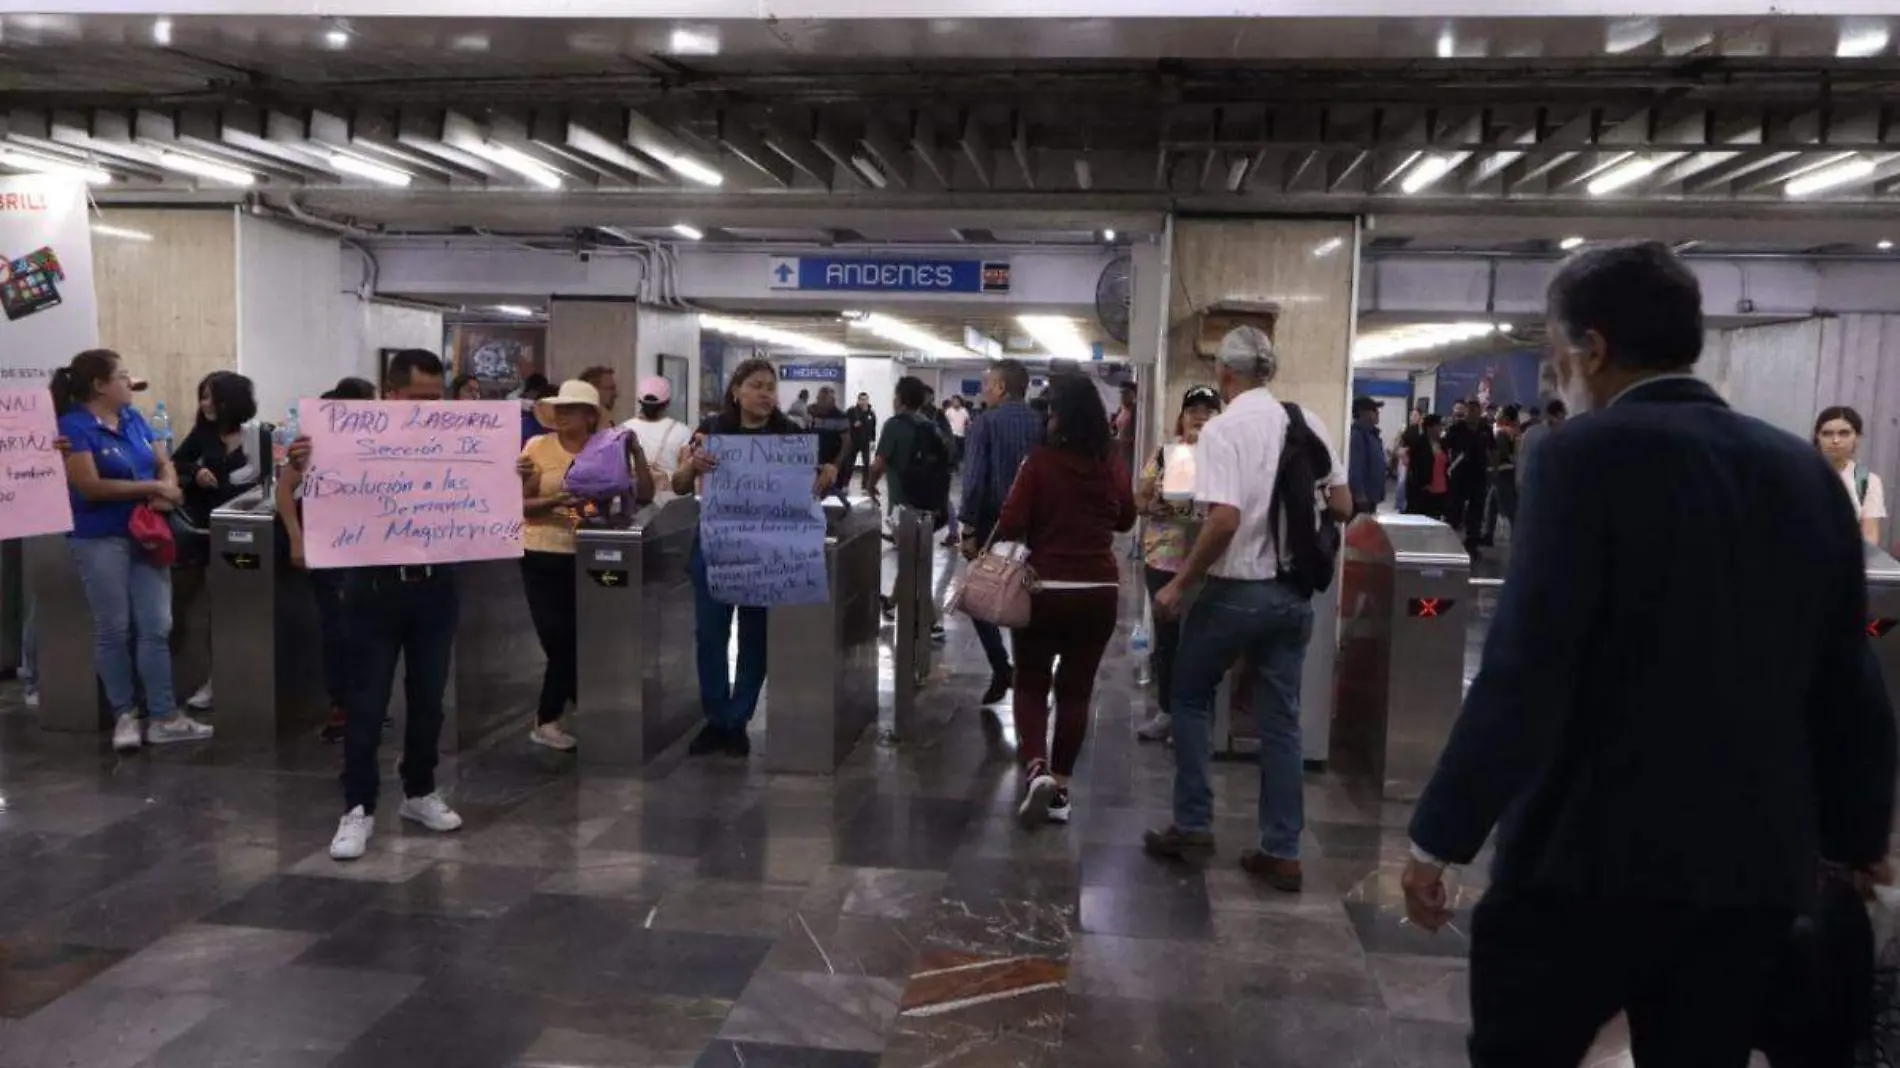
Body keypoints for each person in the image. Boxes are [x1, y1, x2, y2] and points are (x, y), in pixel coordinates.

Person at [1401, 241, 1897, 1066]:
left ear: (1591, 349)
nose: (1559, 372)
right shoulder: (1802, 474)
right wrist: (1854, 839)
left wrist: (1438, 839)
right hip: (1750, 871)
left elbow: (1527, 671)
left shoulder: (1579, 459)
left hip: (1584, 864)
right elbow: (1847, 677)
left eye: (1558, 354)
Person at [1141, 326, 1351, 891]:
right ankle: (1282, 852)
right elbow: (1343, 503)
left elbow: (1225, 519)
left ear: (1225, 376)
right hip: (1292, 597)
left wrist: (1180, 583)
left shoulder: (1222, 429)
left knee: (1188, 695)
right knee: (1281, 721)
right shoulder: (1307, 422)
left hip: (1235, 592)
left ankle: (1193, 825)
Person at [284, 350, 466, 861]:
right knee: (366, 703)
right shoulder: (346, 440)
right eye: (417, 399)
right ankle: (358, 805)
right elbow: (296, 486)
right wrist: (306, 469)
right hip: (372, 585)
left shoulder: (454, 439)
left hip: (435, 584)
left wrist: (509, 474)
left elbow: (483, 495)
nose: (428, 408)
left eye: (436, 398)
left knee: (429, 698)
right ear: (391, 394)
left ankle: (419, 790)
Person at [672, 359, 838, 756]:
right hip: (716, 549)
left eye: (771, 387)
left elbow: (813, 487)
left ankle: (738, 719)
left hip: (768, 554)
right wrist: (693, 465)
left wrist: (828, 472)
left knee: (756, 638)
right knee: (710, 637)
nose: (766, 394)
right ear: (737, 391)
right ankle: (715, 717)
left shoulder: (790, 435)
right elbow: (679, 485)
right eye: (757, 386)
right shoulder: (712, 431)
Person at [52, 349, 213, 751]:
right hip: (100, 536)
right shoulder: (74, 427)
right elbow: (90, 485)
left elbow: (163, 461)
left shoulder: (134, 419)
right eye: (122, 377)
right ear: (99, 385)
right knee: (114, 627)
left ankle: (163, 716)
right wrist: (152, 488)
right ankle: (125, 714)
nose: (129, 383)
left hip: (148, 533)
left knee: (156, 625)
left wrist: (168, 484)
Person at [995, 374, 1135, 827]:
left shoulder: (1039, 463)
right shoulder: (1110, 461)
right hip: (1098, 591)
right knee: (1076, 691)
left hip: (1044, 589)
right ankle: (1061, 787)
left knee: (1032, 682)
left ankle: (1035, 767)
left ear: (1059, 417)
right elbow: (1127, 519)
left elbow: (1013, 522)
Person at [517, 380, 654, 752]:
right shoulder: (535, 448)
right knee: (558, 639)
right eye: (558, 409)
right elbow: (518, 505)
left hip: (592, 553)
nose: (562, 416)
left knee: (587, 637)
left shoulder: (608, 447)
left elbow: (643, 494)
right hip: (542, 553)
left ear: (590, 416)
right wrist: (555, 500)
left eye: (571, 409)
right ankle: (548, 717)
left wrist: (636, 454)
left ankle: (581, 706)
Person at [282, 377, 375, 745]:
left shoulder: (379, 444)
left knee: (368, 632)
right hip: (331, 551)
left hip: (368, 550)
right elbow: (285, 491)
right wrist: (296, 538)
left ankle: (366, 703)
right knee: (338, 630)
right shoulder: (312, 445)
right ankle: (342, 706)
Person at [1133, 385, 1223, 743]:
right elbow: (1139, 497)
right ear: (1181, 416)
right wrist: (1151, 504)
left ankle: (1195, 716)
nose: (1199, 416)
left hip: (1208, 561)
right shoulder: (1166, 455)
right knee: (1168, 640)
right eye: (1193, 410)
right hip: (1164, 557)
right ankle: (1168, 712)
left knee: (1201, 642)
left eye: (1208, 411)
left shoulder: (1226, 457)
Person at [170, 369, 262, 712]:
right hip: (202, 530)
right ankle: (209, 678)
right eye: (202, 396)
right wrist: (195, 473)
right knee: (199, 609)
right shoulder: (203, 435)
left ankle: (239, 675)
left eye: (211, 396)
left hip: (243, 535)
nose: (205, 404)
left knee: (237, 605)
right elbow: (176, 461)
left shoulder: (258, 435)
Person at [959, 359, 1045, 707]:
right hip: (1036, 524)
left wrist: (967, 526)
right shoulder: (1041, 423)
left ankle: (1001, 665)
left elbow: (975, 478)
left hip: (993, 522)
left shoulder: (986, 423)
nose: (984, 390)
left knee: (979, 593)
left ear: (1001, 388)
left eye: (988, 384)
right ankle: (1029, 672)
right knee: (1027, 592)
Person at [868, 376, 953, 642]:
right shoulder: (930, 425)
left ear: (901, 399)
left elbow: (879, 463)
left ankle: (932, 621)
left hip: (902, 506)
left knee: (915, 563)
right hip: (928, 504)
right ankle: (892, 602)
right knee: (913, 557)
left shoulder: (894, 425)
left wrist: (869, 485)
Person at [1815, 405, 1887, 546]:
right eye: (1827, 433)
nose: (1835, 440)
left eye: (1844, 433)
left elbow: (1870, 535)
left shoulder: (1866, 480)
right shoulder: (1799, 471)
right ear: (1817, 437)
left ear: (1857, 438)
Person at [622, 375, 692, 503]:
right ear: (667, 402)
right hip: (669, 504)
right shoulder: (682, 431)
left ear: (639, 400)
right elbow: (685, 476)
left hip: (634, 501)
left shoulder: (623, 429)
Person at [1442, 398, 1494, 552]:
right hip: (1460, 475)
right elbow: (1444, 445)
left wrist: (1493, 469)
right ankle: (1449, 541)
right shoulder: (1457, 428)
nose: (1472, 413)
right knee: (1455, 509)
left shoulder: (1485, 429)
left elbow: (1492, 450)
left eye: (1475, 409)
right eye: (1469, 410)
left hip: (1479, 475)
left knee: (1476, 511)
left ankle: (1472, 543)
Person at [805, 386, 852, 505]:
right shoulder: (814, 413)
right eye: (818, 398)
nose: (819, 402)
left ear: (832, 401)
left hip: (833, 464)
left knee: (831, 498)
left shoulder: (840, 417)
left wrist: (836, 465)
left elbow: (846, 444)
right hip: (817, 463)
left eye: (823, 399)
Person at [1483, 405, 1521, 541]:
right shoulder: (1514, 431)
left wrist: (1492, 468)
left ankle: (1518, 536)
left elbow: (1499, 454)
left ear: (1505, 417)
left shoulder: (1502, 433)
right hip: (1509, 470)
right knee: (1491, 503)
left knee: (1510, 506)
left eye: (1499, 412)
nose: (1496, 414)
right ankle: (1488, 534)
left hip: (1502, 471)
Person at [1402, 414, 1449, 520]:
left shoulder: (1442, 444)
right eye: (1439, 425)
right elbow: (1414, 467)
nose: (1441, 428)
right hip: (1425, 490)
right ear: (1429, 427)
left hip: (1441, 489)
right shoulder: (1419, 444)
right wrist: (1422, 484)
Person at [1347, 395, 1386, 516]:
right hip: (1362, 500)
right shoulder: (1357, 436)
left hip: (1372, 498)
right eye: (1374, 410)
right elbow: (1355, 468)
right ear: (1362, 413)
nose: (1377, 413)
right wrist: (1359, 495)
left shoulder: (1372, 435)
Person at [1516, 397, 1564, 487]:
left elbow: (1522, 459)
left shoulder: (1530, 433)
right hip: (1541, 484)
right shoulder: (1540, 434)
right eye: (1561, 418)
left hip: (1532, 484)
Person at [846, 392, 878, 491]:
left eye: (865, 400)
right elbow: (846, 423)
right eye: (862, 400)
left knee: (867, 463)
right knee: (850, 463)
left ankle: (865, 485)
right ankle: (845, 483)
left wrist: (873, 440)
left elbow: (873, 428)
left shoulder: (871, 413)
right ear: (858, 400)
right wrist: (852, 425)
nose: (864, 402)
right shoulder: (852, 411)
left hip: (865, 442)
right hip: (854, 441)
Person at [1113, 381, 1139, 474]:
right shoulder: (1120, 409)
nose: (1122, 396)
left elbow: (1136, 434)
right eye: (1121, 393)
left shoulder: (1135, 411)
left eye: (1125, 393)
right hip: (1119, 450)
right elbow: (1116, 428)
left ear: (1132, 394)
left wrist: (1124, 441)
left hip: (1129, 451)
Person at [944, 395, 971, 466]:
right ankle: (954, 466)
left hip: (962, 434)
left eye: (957, 401)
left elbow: (968, 421)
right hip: (952, 434)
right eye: (954, 401)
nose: (955, 402)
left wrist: (968, 429)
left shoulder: (964, 410)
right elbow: (945, 422)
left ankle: (960, 466)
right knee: (954, 451)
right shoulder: (948, 411)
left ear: (960, 402)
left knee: (961, 452)